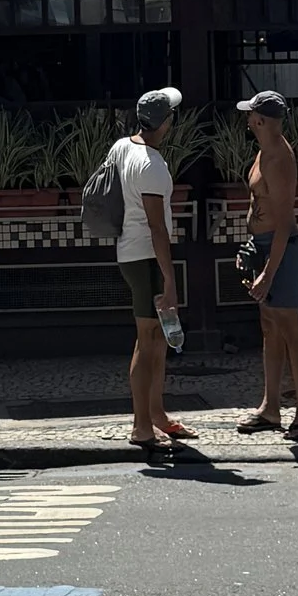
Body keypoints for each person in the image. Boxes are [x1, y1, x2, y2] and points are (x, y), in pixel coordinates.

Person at [233, 89, 298, 440]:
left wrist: (268, 271)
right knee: (269, 327)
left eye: (252, 116)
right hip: (263, 246)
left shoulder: (279, 158)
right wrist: (252, 249)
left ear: (262, 119)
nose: (248, 121)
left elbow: (283, 223)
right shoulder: (262, 152)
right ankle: (270, 407)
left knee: (289, 328)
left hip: (281, 250)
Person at [116, 84, 193, 460]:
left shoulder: (123, 148)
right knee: (147, 340)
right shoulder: (153, 165)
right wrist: (171, 281)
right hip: (146, 256)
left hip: (131, 252)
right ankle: (141, 426)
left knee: (157, 338)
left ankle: (156, 414)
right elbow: (157, 228)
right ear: (167, 123)